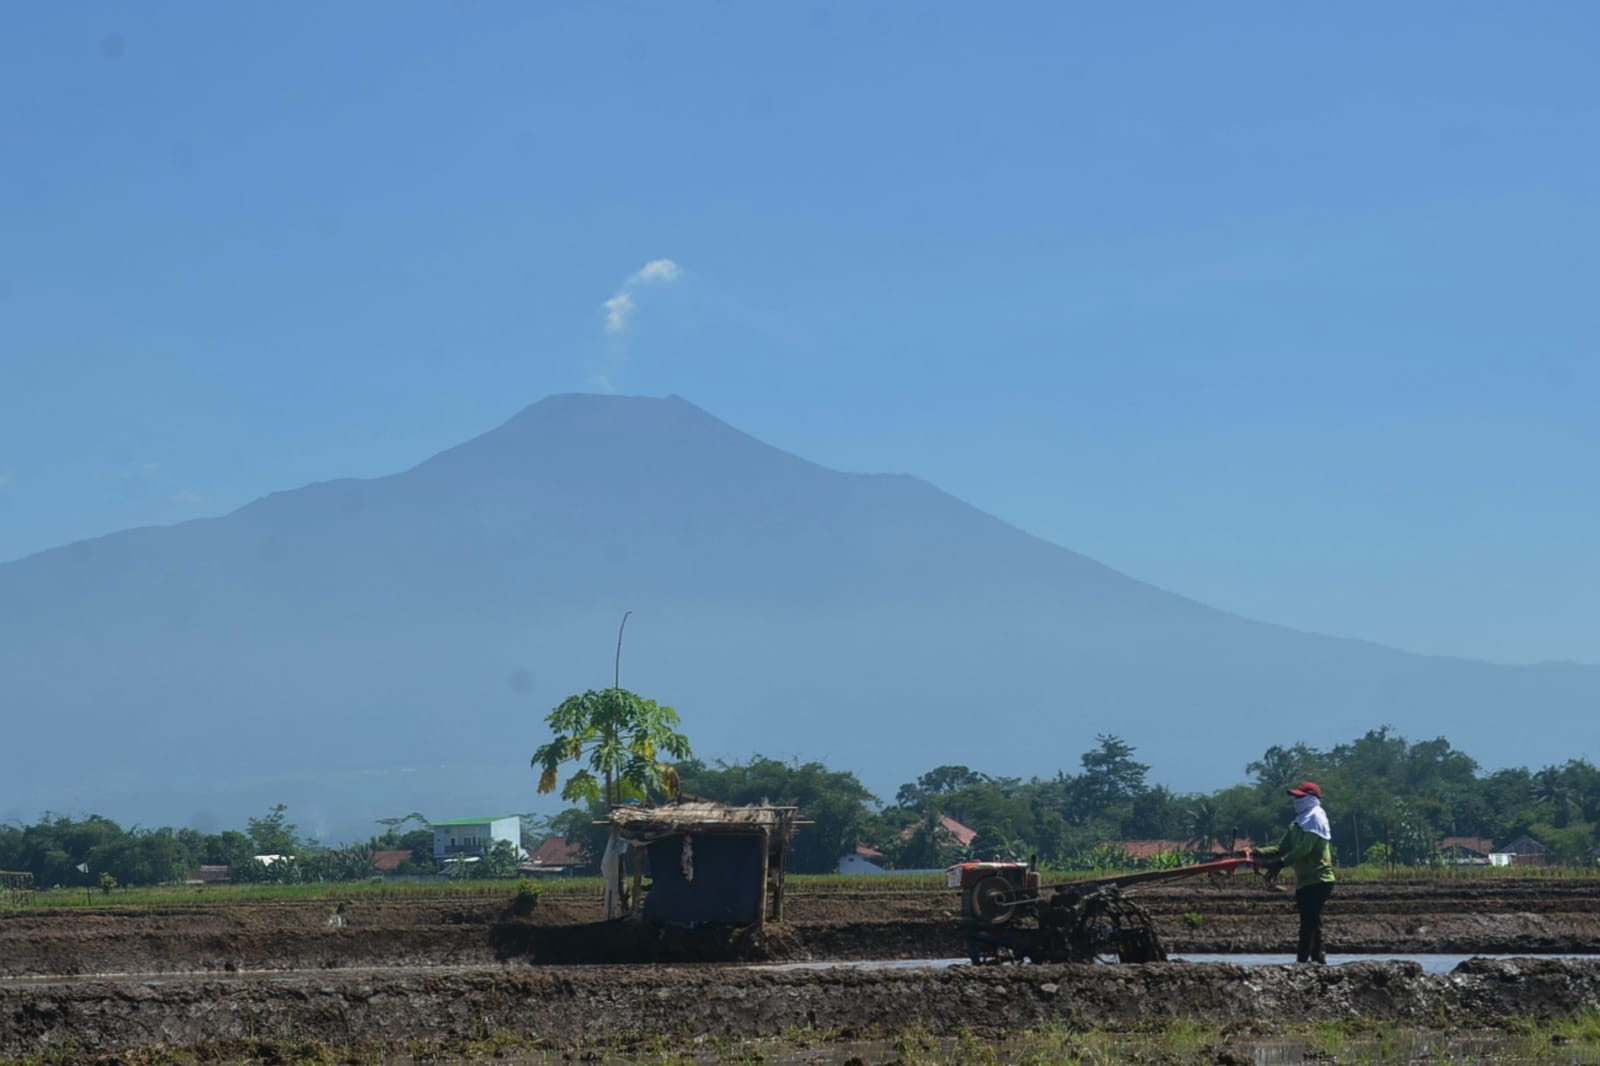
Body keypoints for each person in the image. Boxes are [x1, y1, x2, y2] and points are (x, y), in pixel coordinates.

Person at [1252, 780, 1335, 964]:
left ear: (1311, 799)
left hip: (1320, 879)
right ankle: (1318, 960)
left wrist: (1280, 863)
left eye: (1299, 797)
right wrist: (1256, 853)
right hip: (1304, 882)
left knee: (1308, 922)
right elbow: (1282, 848)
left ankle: (1302, 962)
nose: (1296, 801)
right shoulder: (1298, 823)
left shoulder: (1317, 819)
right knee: (1312, 921)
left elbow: (1304, 848)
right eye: (1295, 797)